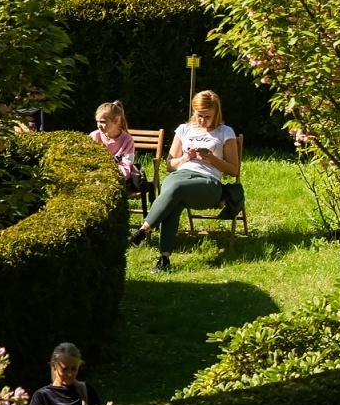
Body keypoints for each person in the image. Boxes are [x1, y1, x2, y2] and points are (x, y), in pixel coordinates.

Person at [129, 90, 239, 272]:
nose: (202, 120)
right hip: (180, 175)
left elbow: (233, 169)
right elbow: (170, 165)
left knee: (175, 189)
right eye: (199, 115)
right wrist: (185, 158)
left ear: (216, 113)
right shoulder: (184, 129)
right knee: (173, 196)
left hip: (207, 182)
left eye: (207, 116)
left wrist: (212, 158)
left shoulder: (225, 132)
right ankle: (164, 259)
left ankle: (143, 230)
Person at [90, 101, 148, 196]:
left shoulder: (127, 140)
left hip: (119, 178)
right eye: (97, 121)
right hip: (96, 177)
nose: (98, 125)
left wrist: (111, 176)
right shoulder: (94, 136)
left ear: (116, 121)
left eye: (103, 122)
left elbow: (127, 164)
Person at [28, 342, 102, 405]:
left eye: (74, 369)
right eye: (65, 369)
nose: (70, 374)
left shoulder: (87, 391)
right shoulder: (42, 396)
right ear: (54, 366)